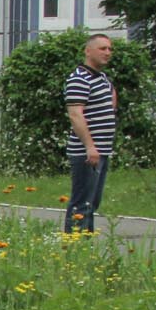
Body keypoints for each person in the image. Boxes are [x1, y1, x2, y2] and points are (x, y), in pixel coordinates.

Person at [64, 34, 117, 233]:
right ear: (88, 51)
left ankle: (85, 242)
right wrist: (90, 146)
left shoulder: (102, 78)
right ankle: (74, 243)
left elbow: (111, 102)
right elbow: (75, 114)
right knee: (81, 204)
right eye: (102, 48)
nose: (107, 53)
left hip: (102, 150)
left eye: (110, 49)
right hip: (87, 152)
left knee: (92, 202)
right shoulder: (79, 78)